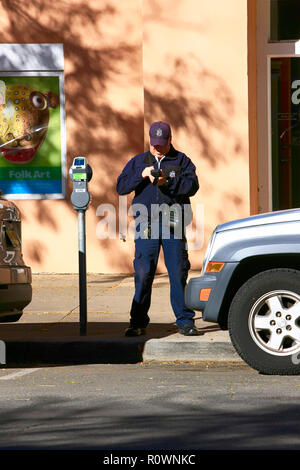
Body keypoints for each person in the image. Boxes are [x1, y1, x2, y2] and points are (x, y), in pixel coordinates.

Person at [116, 121, 199, 336]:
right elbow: (121, 187)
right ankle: (138, 322)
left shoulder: (182, 161)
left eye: (162, 144)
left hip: (173, 222)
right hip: (147, 224)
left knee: (178, 272)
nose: (157, 148)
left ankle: (185, 321)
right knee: (143, 274)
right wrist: (141, 175)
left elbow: (192, 187)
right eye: (154, 144)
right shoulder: (138, 162)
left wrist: (167, 183)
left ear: (170, 140)